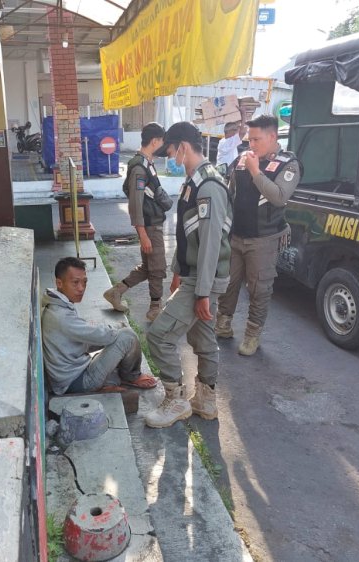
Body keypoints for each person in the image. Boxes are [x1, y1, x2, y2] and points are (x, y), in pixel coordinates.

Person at [144, 122, 232, 428]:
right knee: (202, 337)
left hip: (204, 278)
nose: (169, 155)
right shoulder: (192, 183)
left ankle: (177, 399)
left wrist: (203, 291)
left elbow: (210, 244)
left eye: (170, 149)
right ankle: (205, 401)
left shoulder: (208, 186)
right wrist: (178, 272)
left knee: (158, 335)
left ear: (183, 146)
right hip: (195, 275)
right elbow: (187, 236)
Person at [214, 114, 302, 355]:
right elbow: (228, 190)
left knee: (259, 288)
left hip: (264, 239)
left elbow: (279, 196)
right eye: (249, 139)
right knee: (228, 283)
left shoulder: (288, 164)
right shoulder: (243, 159)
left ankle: (252, 335)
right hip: (236, 235)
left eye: (256, 139)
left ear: (272, 136)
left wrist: (255, 172)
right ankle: (223, 324)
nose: (251, 144)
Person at [42, 257, 157, 395]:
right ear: (59, 283)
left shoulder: (57, 303)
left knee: (115, 347)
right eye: (75, 283)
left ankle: (109, 383)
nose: (81, 288)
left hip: (72, 375)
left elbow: (86, 339)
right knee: (128, 336)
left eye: (84, 282)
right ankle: (133, 376)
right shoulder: (61, 316)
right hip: (77, 382)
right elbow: (106, 336)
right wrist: (117, 329)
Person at [104, 122, 173, 322]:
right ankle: (154, 309)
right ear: (155, 141)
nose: (163, 145)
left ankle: (116, 292)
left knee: (149, 267)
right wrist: (143, 234)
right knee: (157, 268)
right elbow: (135, 204)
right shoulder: (140, 169)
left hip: (152, 224)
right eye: (162, 141)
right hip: (150, 226)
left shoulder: (146, 163)